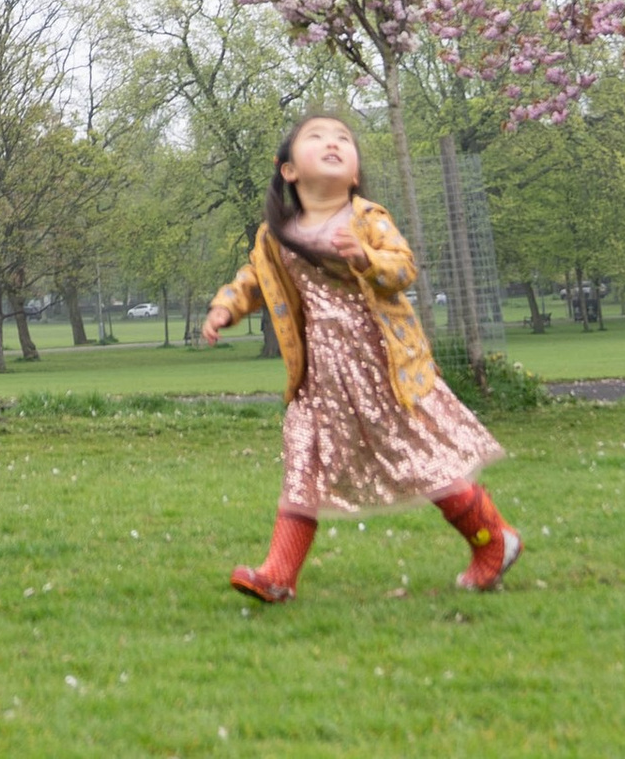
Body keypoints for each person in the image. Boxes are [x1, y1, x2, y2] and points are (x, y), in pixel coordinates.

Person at [201, 112, 518, 604]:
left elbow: (404, 269)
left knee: (424, 464)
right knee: (303, 466)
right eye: (317, 138)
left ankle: (493, 541)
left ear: (353, 173)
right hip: (318, 380)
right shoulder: (275, 235)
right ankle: (277, 574)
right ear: (288, 170)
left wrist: (366, 259)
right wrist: (226, 306)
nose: (333, 143)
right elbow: (252, 279)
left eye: (343, 140)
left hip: (383, 370)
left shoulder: (367, 218)